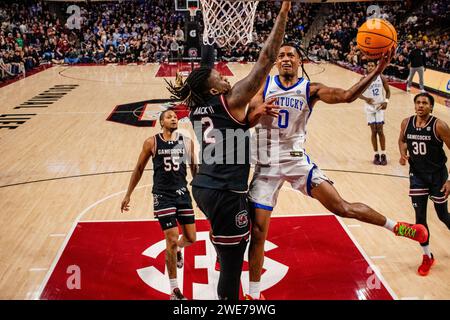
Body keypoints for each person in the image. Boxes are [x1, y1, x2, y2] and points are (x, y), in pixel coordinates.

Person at [245, 43, 428, 300]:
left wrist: (378, 70)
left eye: (291, 56)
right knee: (257, 231)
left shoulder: (311, 90)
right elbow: (247, 120)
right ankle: (253, 294)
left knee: (341, 206)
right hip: (265, 165)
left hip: (296, 160)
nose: (286, 59)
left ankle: (397, 227)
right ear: (276, 62)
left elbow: (348, 95)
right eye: (282, 56)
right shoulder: (263, 87)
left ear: (301, 62)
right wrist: (258, 112)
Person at [165, 1, 291, 300]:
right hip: (223, 193)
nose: (226, 78)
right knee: (233, 268)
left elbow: (222, 134)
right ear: (214, 90)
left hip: (206, 188)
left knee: (236, 236)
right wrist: (283, 13)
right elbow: (266, 59)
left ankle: (222, 244)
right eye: (220, 78)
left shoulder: (197, 108)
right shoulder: (230, 100)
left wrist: (246, 123)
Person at [120, 109, 197, 300]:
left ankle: (179, 249)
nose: (174, 118)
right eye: (169, 116)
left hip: (182, 193)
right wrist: (128, 194)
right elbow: (138, 168)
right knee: (171, 239)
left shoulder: (187, 143)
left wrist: (202, 192)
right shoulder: (151, 142)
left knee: (191, 238)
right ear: (161, 121)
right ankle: (174, 290)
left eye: (176, 117)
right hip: (162, 195)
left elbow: (195, 168)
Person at [398, 92, 450, 276]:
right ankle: (427, 256)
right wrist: (402, 153)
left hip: (438, 176)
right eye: (418, 102)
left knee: (443, 215)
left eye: (424, 103)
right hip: (418, 176)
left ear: (431, 107)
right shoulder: (406, 123)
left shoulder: (440, 126)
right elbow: (402, 141)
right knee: (419, 220)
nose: (420, 105)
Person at [359, 61, 391, 165]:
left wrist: (386, 102)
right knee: (373, 131)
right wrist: (365, 98)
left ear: (375, 67)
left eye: (372, 65)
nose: (371, 67)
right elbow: (357, 93)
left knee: (380, 130)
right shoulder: (363, 79)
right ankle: (376, 154)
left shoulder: (381, 77)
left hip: (379, 106)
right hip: (369, 107)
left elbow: (388, 91)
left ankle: (384, 154)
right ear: (366, 67)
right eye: (369, 65)